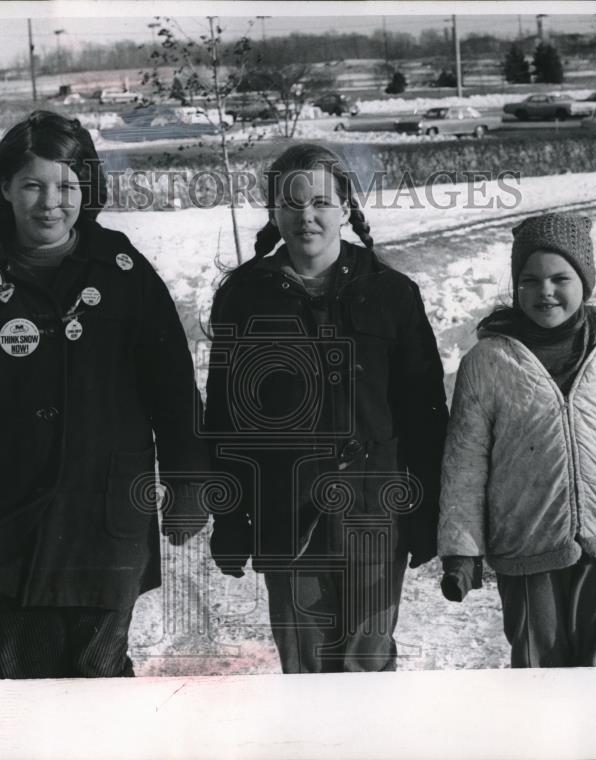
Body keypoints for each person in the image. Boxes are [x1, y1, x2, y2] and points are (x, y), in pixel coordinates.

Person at [0, 110, 207, 679]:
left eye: (66, 186)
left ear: (87, 188)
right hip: (5, 519)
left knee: (100, 670)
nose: (49, 202)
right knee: (25, 672)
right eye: (32, 184)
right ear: (5, 187)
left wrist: (191, 481)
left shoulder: (123, 271)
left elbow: (174, 388)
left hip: (105, 517)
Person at [204, 143, 447, 673]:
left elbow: (425, 415)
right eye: (290, 203)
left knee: (368, 662)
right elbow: (224, 417)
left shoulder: (393, 294)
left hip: (377, 514)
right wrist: (230, 521)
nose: (305, 216)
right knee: (306, 669)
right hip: (287, 515)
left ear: (343, 207)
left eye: (319, 201)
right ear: (273, 211)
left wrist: (429, 517)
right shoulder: (246, 297)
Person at [437, 212, 596, 668]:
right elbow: (465, 463)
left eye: (561, 277)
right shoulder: (487, 361)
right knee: (539, 666)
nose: (545, 291)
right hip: (526, 542)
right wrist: (461, 550)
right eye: (530, 280)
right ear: (516, 286)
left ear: (585, 281)